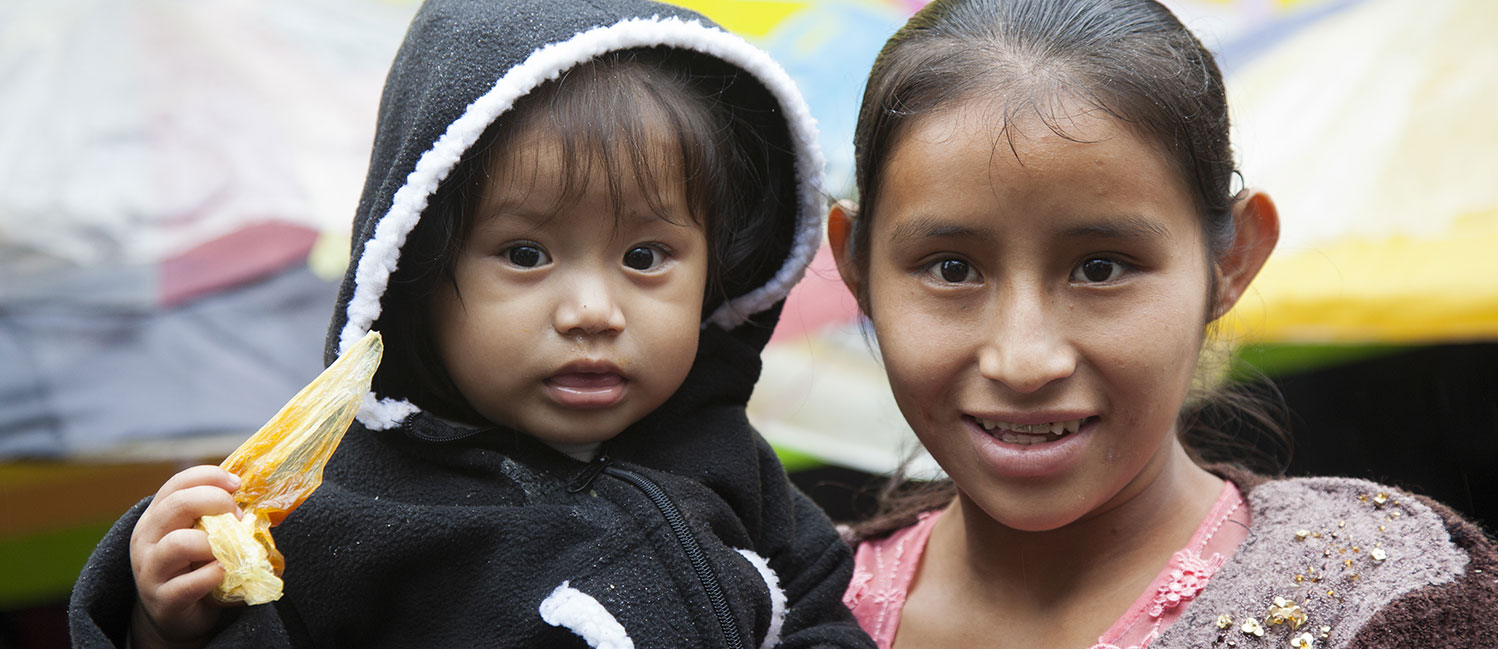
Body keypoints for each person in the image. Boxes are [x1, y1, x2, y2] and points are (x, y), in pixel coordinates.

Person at [68, 1, 875, 647]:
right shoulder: (337, 514)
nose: (593, 311)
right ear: (415, 271)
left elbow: (815, 613)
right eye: (525, 254)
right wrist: (170, 625)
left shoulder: (732, 462)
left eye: (646, 255)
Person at [828, 1, 1498, 648]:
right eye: (950, 269)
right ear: (856, 267)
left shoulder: (1385, 602)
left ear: (1232, 260)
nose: (1024, 360)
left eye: (1099, 268)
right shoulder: (777, 606)